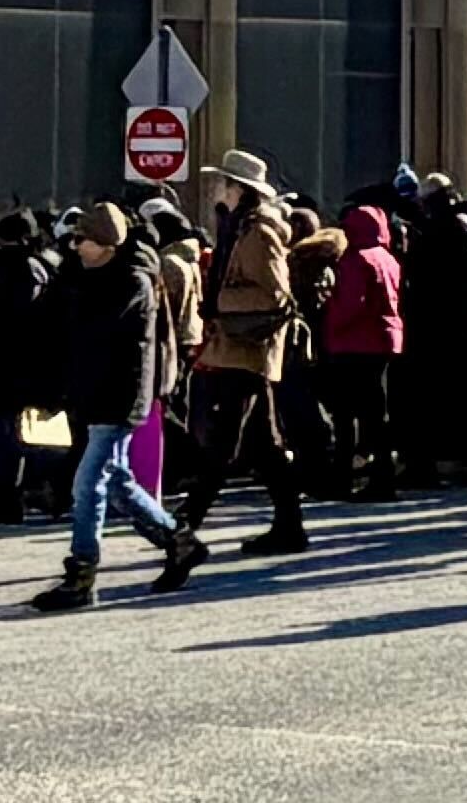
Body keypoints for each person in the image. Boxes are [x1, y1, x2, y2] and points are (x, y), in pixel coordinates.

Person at [31, 203, 196, 610]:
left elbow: (94, 332)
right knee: (119, 483)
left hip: (120, 396)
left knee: (88, 484)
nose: (75, 246)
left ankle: (81, 574)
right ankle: (179, 541)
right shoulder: (77, 275)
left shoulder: (132, 281)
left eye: (82, 240)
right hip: (90, 394)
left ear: (106, 244)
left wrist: (69, 295)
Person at [169, 158, 315, 559]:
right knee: (265, 446)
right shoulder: (237, 228)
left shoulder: (257, 233)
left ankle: (183, 525)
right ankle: (290, 527)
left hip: (247, 349)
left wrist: (220, 301)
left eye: (223, 182)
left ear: (239, 188)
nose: (216, 188)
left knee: (224, 443)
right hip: (237, 349)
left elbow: (276, 296)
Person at [320, 205, 407, 497]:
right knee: (376, 413)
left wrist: (327, 321)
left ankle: (342, 478)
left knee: (345, 415)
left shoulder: (354, 259)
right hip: (384, 340)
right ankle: (383, 476)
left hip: (353, 342)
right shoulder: (388, 258)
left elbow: (350, 304)